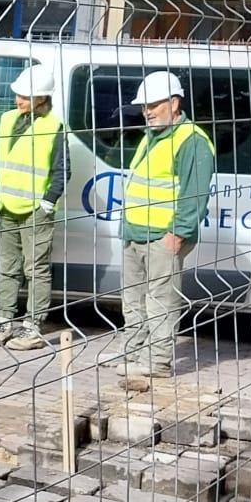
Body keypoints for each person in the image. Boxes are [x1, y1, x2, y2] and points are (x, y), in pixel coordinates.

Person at [108, 70, 216, 378]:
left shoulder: (191, 140)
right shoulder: (151, 136)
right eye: (144, 106)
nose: (147, 111)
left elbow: (194, 194)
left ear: (174, 102)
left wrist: (177, 234)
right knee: (133, 299)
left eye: (154, 104)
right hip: (135, 233)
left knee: (159, 302)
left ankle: (157, 363)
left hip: (162, 236)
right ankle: (135, 351)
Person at [0, 64, 67, 352]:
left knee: (36, 270)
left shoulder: (54, 127)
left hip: (34, 211)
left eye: (26, 96)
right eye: (18, 94)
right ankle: (4, 322)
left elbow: (62, 170)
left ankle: (32, 327)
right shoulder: (7, 119)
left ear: (42, 98)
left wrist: (46, 204)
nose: (18, 99)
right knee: (7, 268)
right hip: (2, 206)